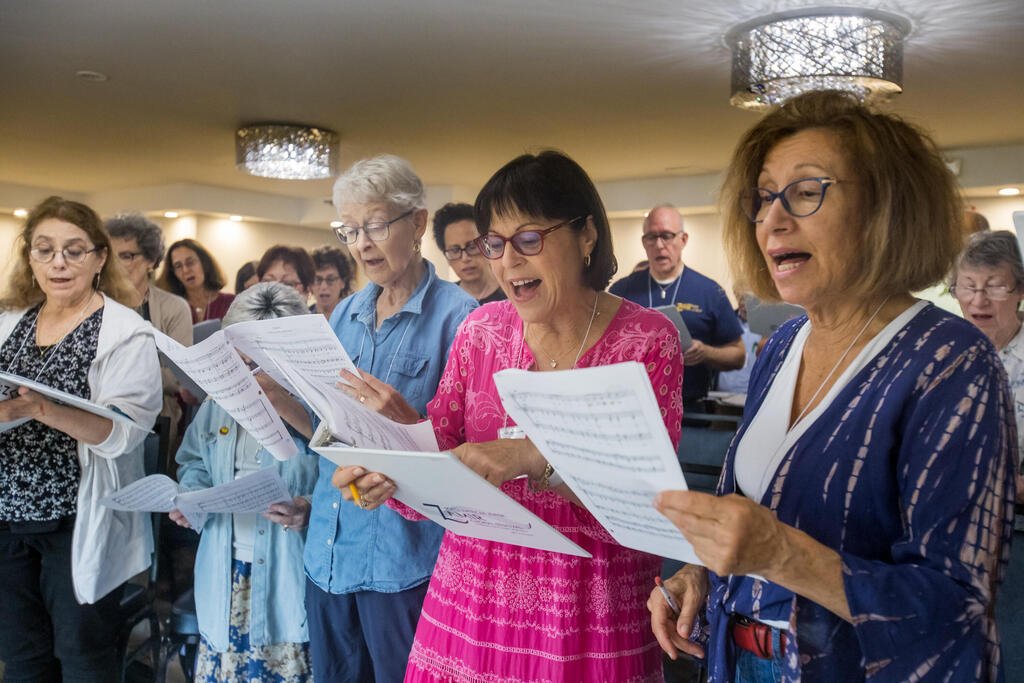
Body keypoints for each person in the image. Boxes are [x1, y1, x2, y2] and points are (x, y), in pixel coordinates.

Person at [649, 91, 1016, 681]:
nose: (773, 218)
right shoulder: (781, 347)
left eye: (805, 190)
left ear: (882, 209)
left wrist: (782, 553)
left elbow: (955, 607)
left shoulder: (950, 362)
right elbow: (740, 514)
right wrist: (697, 574)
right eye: (765, 196)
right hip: (735, 660)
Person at [332, 150, 685, 681]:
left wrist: (533, 457)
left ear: (586, 235)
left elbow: (653, 506)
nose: (508, 261)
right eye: (494, 244)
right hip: (469, 600)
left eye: (529, 239)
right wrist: (388, 473)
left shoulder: (646, 340)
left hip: (589, 608)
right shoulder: (482, 332)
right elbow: (443, 461)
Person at [258, 154, 477, 682]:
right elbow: (329, 432)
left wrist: (402, 425)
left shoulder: (462, 318)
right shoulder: (344, 314)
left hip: (403, 561)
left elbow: (472, 457)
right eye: (349, 230)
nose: (360, 244)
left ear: (419, 223)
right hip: (328, 551)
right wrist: (272, 394)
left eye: (375, 226)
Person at [0, 196, 162, 681]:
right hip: (6, 517)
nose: (59, 263)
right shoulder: (10, 322)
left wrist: (42, 409)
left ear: (99, 258)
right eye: (45, 250)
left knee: (83, 659)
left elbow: (124, 432)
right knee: (23, 658)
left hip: (76, 520)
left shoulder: (125, 333)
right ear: (30, 257)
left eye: (73, 250)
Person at [170, 282, 319, 683]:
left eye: (260, 362)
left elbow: (346, 483)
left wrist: (308, 508)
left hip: (290, 572)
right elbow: (193, 459)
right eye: (239, 359)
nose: (250, 374)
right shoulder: (219, 403)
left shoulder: (317, 408)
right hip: (227, 569)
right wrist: (193, 497)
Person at [951, 229, 1024, 680]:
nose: (980, 299)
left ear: (1019, 291)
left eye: (995, 285)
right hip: (950, 542)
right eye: (968, 285)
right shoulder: (943, 357)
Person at [609, 204, 745, 412]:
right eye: (651, 237)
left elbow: (738, 356)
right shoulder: (622, 290)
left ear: (683, 240)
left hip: (689, 412)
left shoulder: (709, 292)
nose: (659, 245)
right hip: (632, 408)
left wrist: (706, 352)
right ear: (644, 243)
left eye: (667, 235)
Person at [106, 213, 194, 453]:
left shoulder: (173, 307)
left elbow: (178, 376)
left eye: (126, 256)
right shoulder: (94, 303)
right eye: (110, 256)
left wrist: (113, 372)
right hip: (99, 418)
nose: (114, 264)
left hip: (156, 422)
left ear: (151, 260)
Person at [431, 202, 505, 304]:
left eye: (472, 247)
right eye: (455, 250)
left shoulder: (511, 292)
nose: (465, 258)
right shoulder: (443, 302)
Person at [158, 238, 235, 324]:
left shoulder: (231, 303)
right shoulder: (170, 309)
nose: (186, 270)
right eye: (178, 266)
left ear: (204, 263)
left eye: (190, 262)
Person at [715, 291, 762, 395]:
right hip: (723, 395)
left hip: (755, 395)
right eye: (740, 298)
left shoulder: (768, 328)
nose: (743, 303)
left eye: (749, 299)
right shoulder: (725, 322)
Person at [310, 245, 355, 317]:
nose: (323, 286)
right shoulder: (302, 319)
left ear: (343, 282)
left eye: (330, 279)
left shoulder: (355, 317)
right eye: (318, 280)